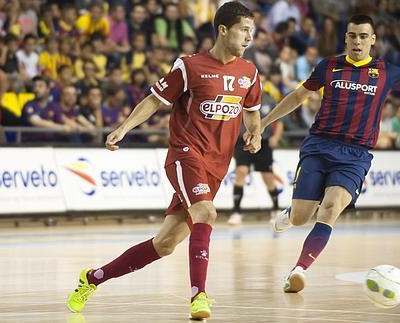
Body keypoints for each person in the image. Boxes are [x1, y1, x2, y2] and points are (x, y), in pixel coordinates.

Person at [66, 2, 262, 319]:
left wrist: (256, 135)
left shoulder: (249, 73)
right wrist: (123, 128)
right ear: (223, 30)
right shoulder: (190, 66)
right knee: (206, 212)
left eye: (251, 31)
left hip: (216, 166)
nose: (249, 37)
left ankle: (92, 278)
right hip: (186, 155)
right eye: (243, 30)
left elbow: (252, 114)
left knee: (165, 244)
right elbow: (154, 101)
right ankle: (199, 296)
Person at [260, 14, 400, 293]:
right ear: (345, 38)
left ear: (372, 40)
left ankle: (299, 270)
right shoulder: (329, 66)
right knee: (301, 218)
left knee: (331, 208)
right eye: (352, 36)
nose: (357, 41)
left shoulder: (387, 72)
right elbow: (298, 97)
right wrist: (263, 124)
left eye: (362, 36)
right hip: (319, 146)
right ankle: (292, 213)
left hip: (355, 154)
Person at [228, 89, 284, 225]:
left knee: (268, 177)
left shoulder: (269, 99)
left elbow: (280, 120)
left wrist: (276, 137)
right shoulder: (238, 96)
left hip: (263, 142)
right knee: (241, 172)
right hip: (242, 140)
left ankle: (276, 209)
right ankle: (236, 212)